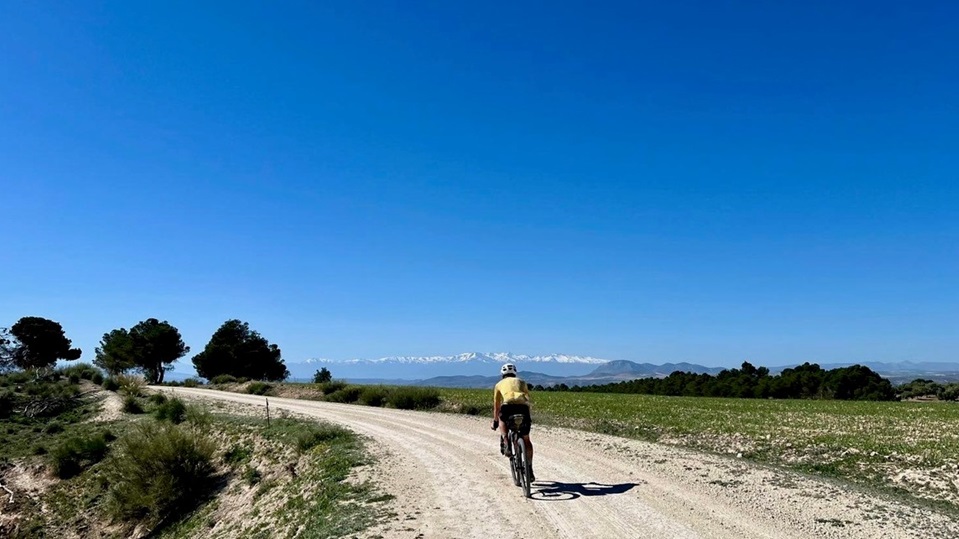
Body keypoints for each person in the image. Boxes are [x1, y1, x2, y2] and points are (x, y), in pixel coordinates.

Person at [492, 363, 535, 481]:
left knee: (502, 419)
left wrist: (495, 420)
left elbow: (496, 406)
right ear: (515, 373)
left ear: (502, 374)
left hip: (508, 406)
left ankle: (506, 441)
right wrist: (528, 417)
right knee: (526, 440)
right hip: (523, 408)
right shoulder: (522, 382)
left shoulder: (498, 384)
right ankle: (529, 468)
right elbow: (527, 399)